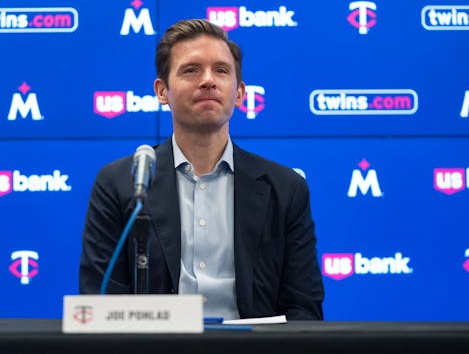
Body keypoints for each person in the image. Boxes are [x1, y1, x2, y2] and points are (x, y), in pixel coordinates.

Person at [79, 18, 324, 320]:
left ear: (239, 92)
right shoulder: (121, 184)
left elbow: (304, 308)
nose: (208, 80)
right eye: (191, 70)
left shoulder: (286, 188)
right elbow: (100, 304)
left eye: (221, 70)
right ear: (162, 91)